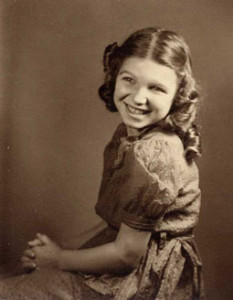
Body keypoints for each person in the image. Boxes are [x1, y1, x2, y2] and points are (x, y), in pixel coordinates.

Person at [0, 27, 204, 299]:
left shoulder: (155, 153)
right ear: (115, 76)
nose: (138, 98)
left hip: (142, 277)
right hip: (122, 254)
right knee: (15, 277)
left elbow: (127, 255)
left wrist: (60, 258)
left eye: (155, 87)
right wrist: (61, 249)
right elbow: (120, 224)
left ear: (177, 95)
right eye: (129, 80)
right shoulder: (131, 134)